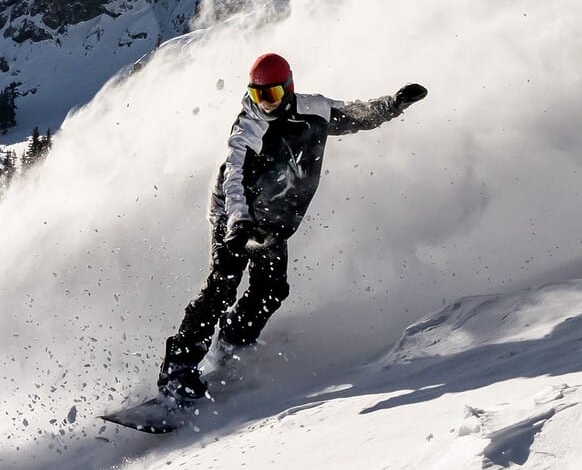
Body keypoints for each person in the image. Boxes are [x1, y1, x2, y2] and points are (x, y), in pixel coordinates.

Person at [157, 52, 428, 401]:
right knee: (222, 286)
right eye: (257, 97)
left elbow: (355, 114)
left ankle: (233, 343)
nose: (264, 105)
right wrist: (238, 221)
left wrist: (393, 103)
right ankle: (178, 371)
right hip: (235, 215)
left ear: (287, 90)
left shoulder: (313, 110)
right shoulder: (247, 129)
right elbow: (234, 178)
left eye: (270, 96)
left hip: (272, 221)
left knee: (271, 290)